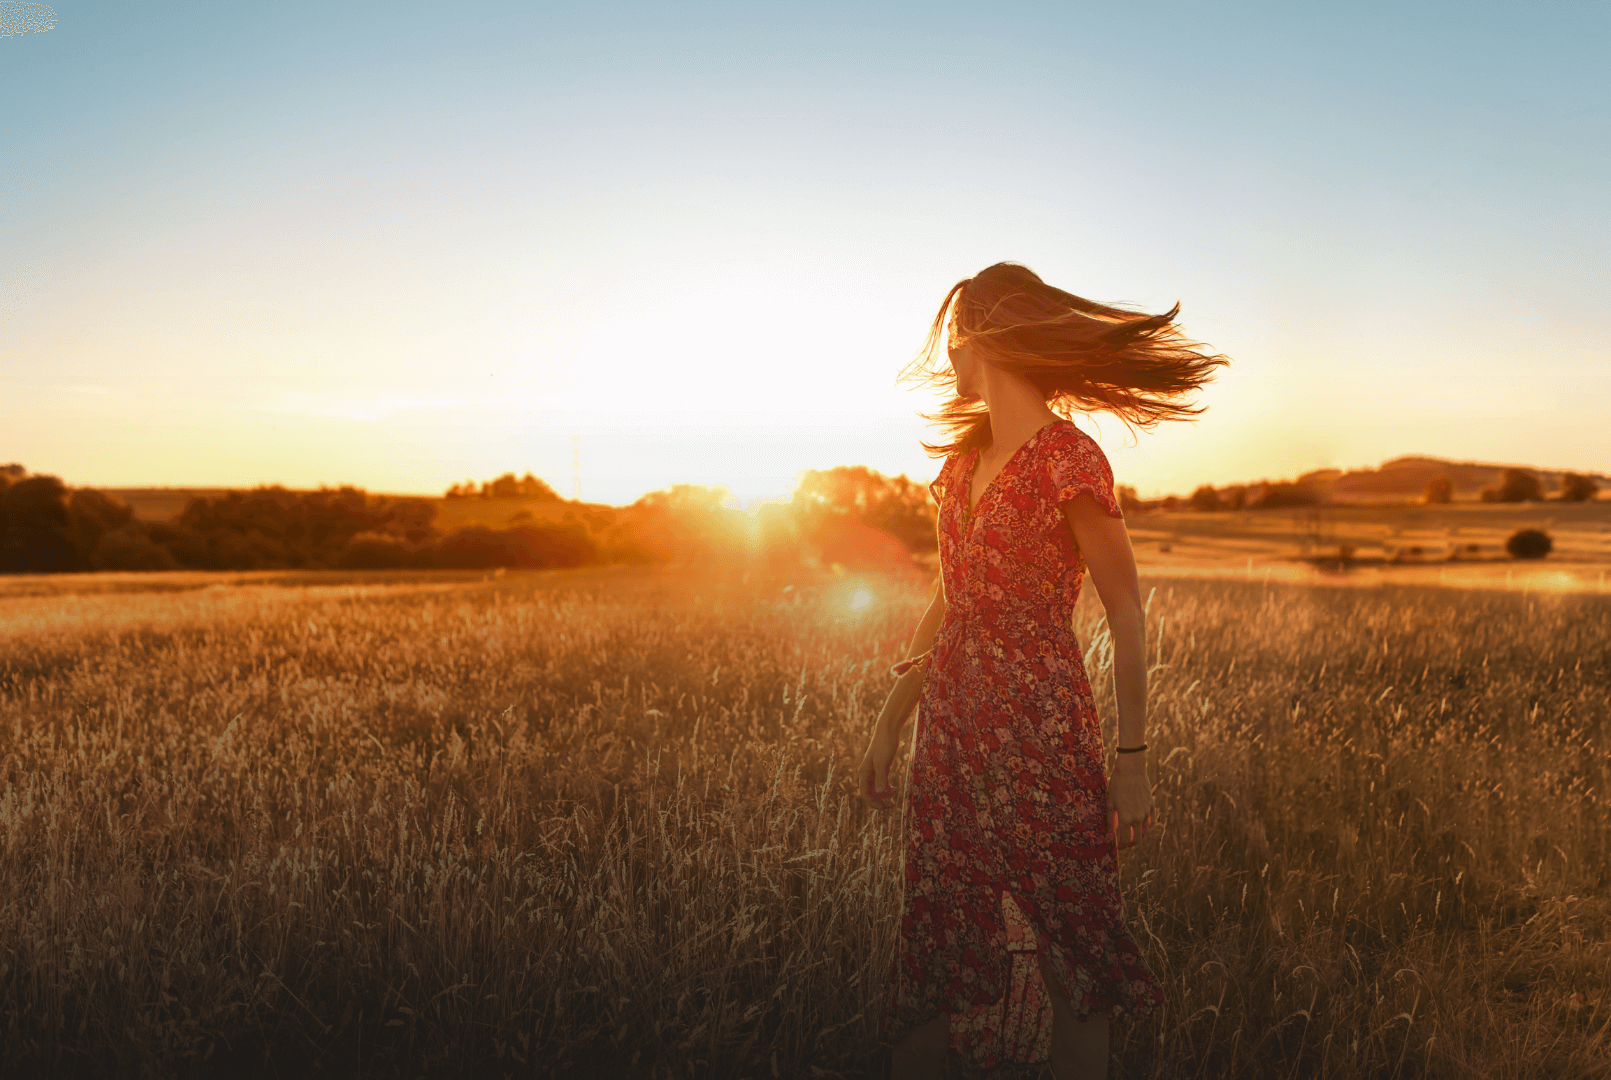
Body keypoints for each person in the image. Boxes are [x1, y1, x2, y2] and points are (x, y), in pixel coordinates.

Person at [857, 262, 1227, 1079]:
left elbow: (1125, 611)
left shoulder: (1070, 458)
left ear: (984, 338)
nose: (948, 355)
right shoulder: (962, 463)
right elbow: (950, 600)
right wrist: (891, 718)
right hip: (950, 729)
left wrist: (1131, 762)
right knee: (935, 941)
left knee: (1075, 943)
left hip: (1043, 726)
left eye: (954, 337)